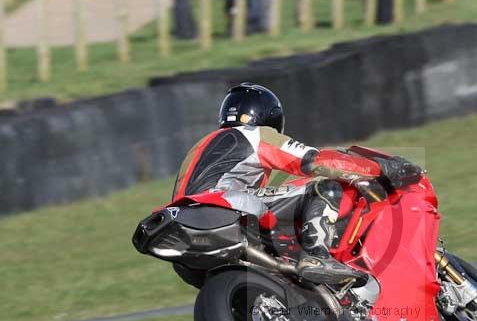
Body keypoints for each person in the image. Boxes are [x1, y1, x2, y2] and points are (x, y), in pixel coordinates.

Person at [172, 83, 423, 285]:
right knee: (324, 187)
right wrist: (379, 168)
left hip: (187, 243)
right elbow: (313, 161)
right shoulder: (254, 135)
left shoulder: (197, 149)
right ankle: (318, 256)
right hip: (224, 209)